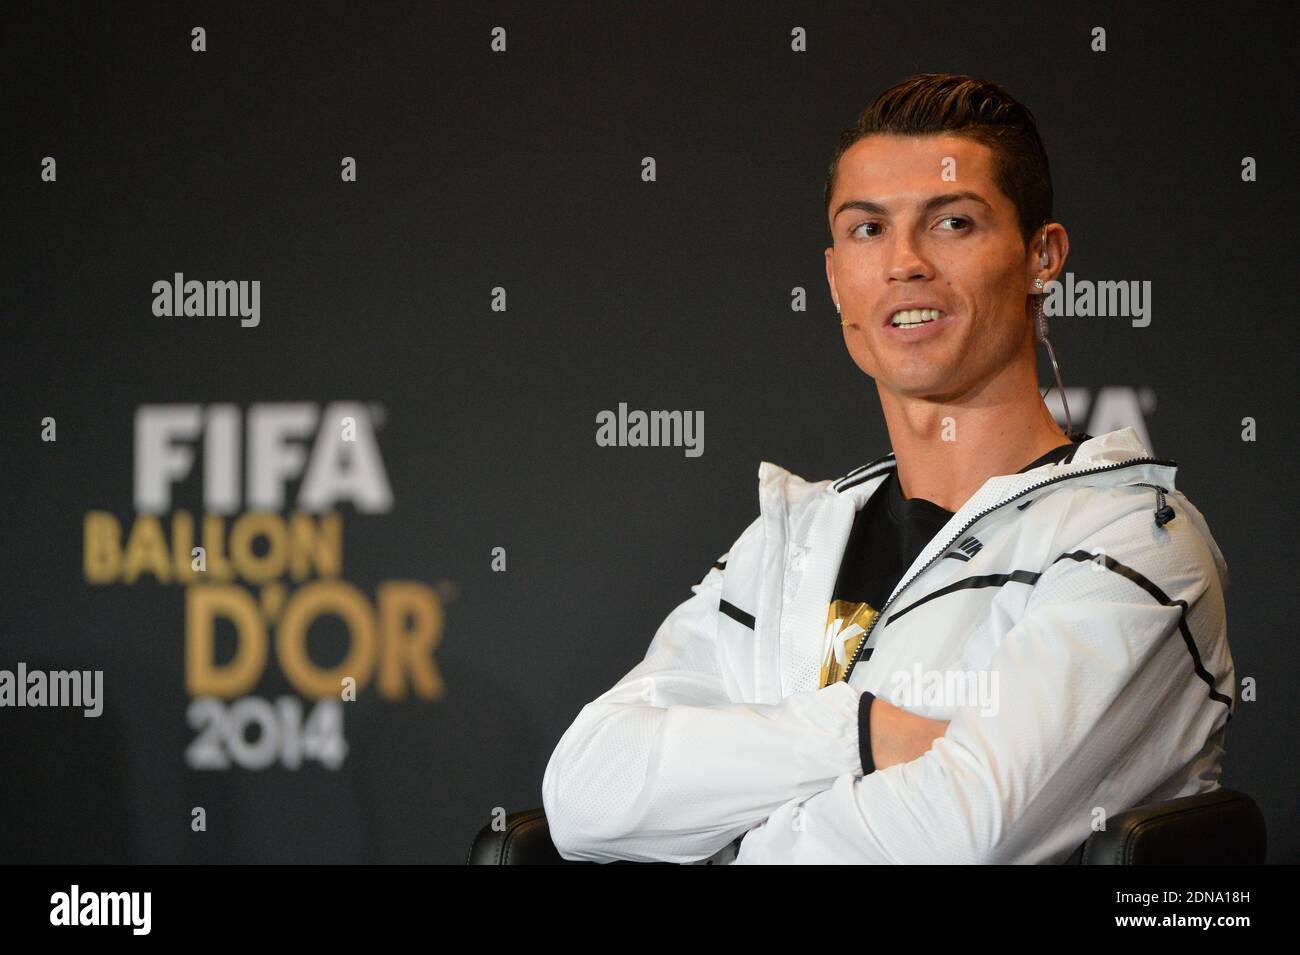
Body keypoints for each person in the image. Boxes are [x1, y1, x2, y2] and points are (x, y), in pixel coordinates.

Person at [541, 73, 1234, 864]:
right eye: (868, 230)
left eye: (952, 222)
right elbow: (586, 793)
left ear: (1042, 256)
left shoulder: (1133, 540)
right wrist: (864, 732)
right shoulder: (789, 542)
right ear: (836, 277)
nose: (904, 263)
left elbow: (954, 839)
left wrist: (721, 820)